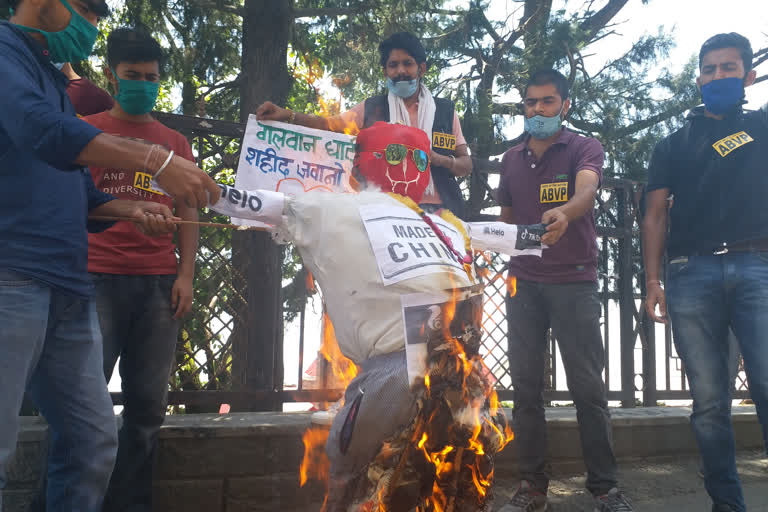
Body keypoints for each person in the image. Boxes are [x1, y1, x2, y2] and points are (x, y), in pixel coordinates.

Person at [209, 122, 544, 511]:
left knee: (377, 471)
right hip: (438, 376)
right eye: (399, 156)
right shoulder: (408, 219)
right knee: (415, 475)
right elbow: (250, 202)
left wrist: (537, 233)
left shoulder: (427, 220)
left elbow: (491, 233)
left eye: (418, 158)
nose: (408, 168)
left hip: (427, 374)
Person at [0, 1, 219, 510]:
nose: (92, 28)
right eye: (87, 12)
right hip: (15, 276)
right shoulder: (6, 55)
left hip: (69, 291)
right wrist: (155, 159)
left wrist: (130, 207)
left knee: (93, 442)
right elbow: (43, 132)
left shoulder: (51, 82)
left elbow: (77, 188)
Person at [497, 69, 632, 512]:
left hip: (574, 279)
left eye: (548, 102)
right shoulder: (511, 158)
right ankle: (532, 487)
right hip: (523, 282)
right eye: (531, 102)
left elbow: (587, 191)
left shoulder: (583, 147)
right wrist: (489, 238)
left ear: (565, 105)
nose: (538, 110)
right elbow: (508, 218)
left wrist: (566, 213)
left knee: (588, 388)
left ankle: (605, 488)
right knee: (526, 388)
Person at [643, 33, 767, 512]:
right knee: (709, 406)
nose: (718, 77)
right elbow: (653, 216)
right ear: (698, 77)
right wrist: (652, 283)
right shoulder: (672, 145)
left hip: (759, 266)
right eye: (710, 69)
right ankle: (727, 505)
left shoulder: (763, 126)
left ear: (748, 75)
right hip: (690, 275)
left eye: (729, 68)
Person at [80, 27, 198, 511]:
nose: (142, 84)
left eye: (150, 77)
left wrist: (185, 275)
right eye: (132, 76)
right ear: (112, 75)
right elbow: (73, 203)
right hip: (94, 280)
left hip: (157, 285)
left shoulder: (175, 141)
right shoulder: (86, 131)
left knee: (148, 408)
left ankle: (129, 505)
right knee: (84, 410)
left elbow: (190, 211)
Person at [254, 31, 473, 217]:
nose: (400, 71)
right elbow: (328, 125)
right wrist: (288, 115)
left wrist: (440, 160)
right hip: (386, 211)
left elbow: (466, 165)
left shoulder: (445, 111)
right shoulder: (371, 109)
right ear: (385, 72)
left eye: (408, 63)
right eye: (393, 65)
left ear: (421, 69)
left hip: (443, 214)